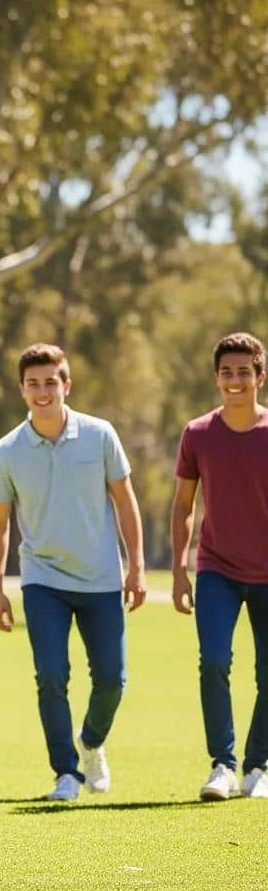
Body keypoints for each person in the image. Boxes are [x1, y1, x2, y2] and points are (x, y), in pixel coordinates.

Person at [0, 343, 146, 801]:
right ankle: (66, 772)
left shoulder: (99, 435)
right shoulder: (8, 450)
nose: (42, 391)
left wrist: (136, 567)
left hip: (100, 577)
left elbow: (125, 500)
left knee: (113, 679)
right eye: (33, 383)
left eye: (50, 382)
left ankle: (91, 741)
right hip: (42, 580)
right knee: (51, 675)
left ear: (66, 385)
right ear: (22, 389)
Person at [170, 332, 268, 801]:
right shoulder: (198, 434)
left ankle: (258, 765)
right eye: (227, 372)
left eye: (244, 372)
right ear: (216, 378)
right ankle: (223, 766)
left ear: (260, 377)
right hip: (217, 570)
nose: (235, 380)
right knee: (214, 661)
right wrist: (177, 568)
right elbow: (184, 504)